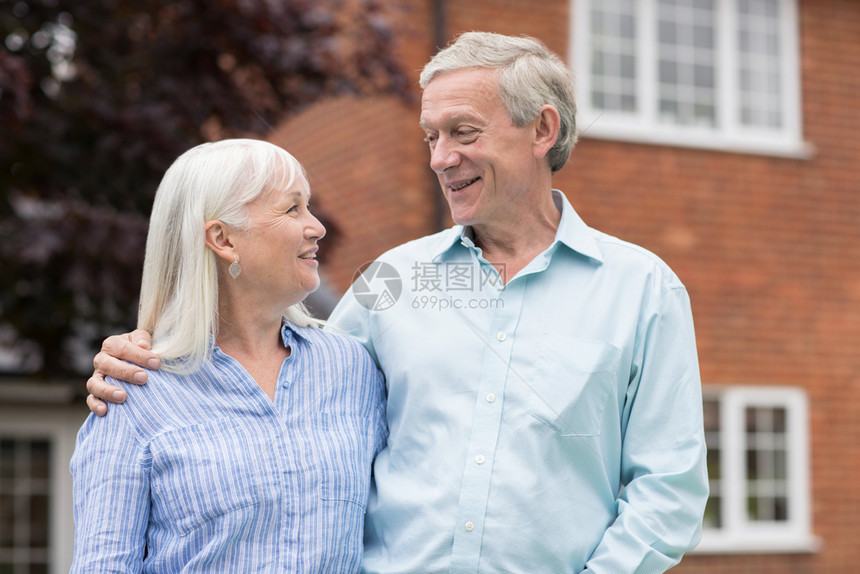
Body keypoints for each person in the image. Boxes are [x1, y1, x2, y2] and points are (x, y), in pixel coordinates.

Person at [86, 32, 708, 573]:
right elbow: (283, 368)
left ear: (542, 129)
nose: (441, 158)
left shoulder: (642, 290)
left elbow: (669, 489)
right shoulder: (392, 282)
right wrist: (144, 354)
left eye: (463, 133)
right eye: (431, 137)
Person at [70, 139, 387, 573]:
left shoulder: (352, 368)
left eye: (308, 207)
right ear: (223, 238)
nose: (316, 227)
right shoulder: (135, 392)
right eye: (292, 209)